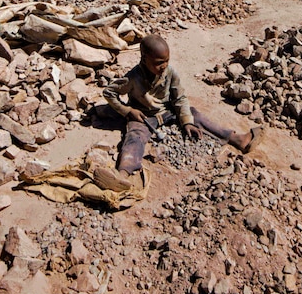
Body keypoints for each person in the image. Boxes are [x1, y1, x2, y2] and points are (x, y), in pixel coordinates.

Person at [99, 34, 262, 190]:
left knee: (194, 113)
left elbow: (180, 98)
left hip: (167, 111)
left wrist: (187, 122)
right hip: (144, 116)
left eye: (166, 61)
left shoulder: (170, 73)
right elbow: (109, 92)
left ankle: (237, 139)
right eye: (158, 62)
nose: (163, 66)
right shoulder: (133, 77)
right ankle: (122, 174)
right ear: (144, 59)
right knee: (135, 137)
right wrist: (128, 111)